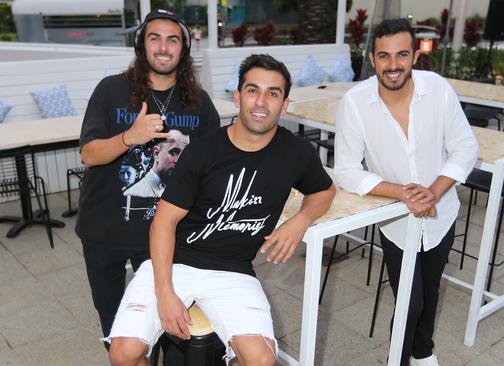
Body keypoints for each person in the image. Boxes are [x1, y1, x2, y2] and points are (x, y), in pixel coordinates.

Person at [105, 54, 336, 366]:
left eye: (273, 93)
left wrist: (301, 220)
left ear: (285, 104)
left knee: (262, 361)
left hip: (233, 270)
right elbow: (164, 221)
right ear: (238, 97)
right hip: (177, 262)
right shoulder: (203, 151)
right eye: (253, 90)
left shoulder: (297, 153)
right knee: (123, 353)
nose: (261, 102)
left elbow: (324, 191)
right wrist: (165, 292)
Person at [333, 19, 478, 366]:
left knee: (429, 292)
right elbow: (346, 171)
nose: (393, 65)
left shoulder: (437, 89)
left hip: (441, 214)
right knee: (410, 302)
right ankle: (398, 359)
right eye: (384, 56)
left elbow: (465, 148)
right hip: (397, 221)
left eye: (401, 54)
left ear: (414, 55)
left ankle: (423, 352)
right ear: (372, 58)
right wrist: (404, 193)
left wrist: (433, 192)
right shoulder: (355, 103)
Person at [76, 8, 220, 354]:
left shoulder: (199, 104)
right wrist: (130, 136)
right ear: (142, 46)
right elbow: (89, 154)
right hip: (104, 230)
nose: (163, 47)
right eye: (154, 38)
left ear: (183, 49)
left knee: (163, 320)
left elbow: (214, 167)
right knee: (114, 324)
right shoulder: (111, 91)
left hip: (163, 234)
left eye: (173, 40)